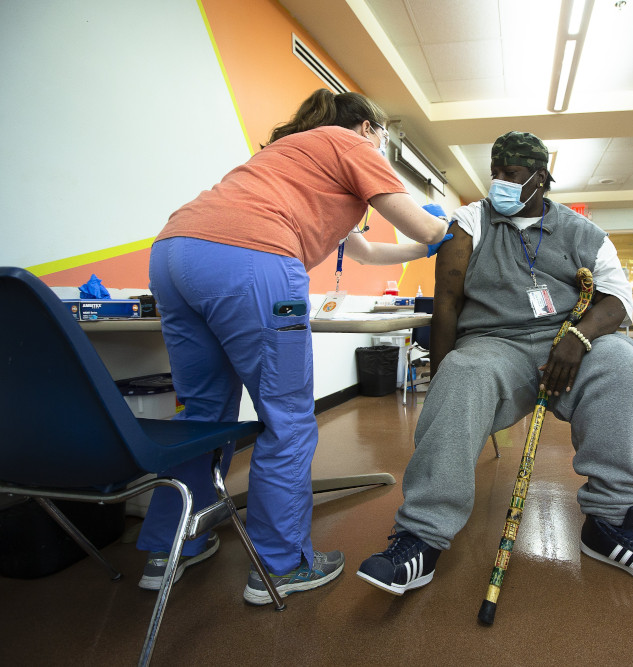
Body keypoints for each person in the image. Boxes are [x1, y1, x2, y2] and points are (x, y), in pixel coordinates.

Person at [136, 89, 450, 605]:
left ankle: (174, 545)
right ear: (369, 129)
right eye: (382, 136)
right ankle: (280, 566)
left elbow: (366, 250)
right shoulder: (350, 143)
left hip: (174, 254)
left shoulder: (287, 157)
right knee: (287, 417)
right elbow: (418, 221)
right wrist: (449, 231)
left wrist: (425, 244)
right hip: (252, 257)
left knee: (200, 413)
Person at [356, 131, 633, 596]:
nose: (499, 184)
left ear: (540, 179)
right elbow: (448, 304)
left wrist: (577, 336)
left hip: (571, 339)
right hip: (495, 344)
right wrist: (440, 378)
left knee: (622, 364)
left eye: (510, 175)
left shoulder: (583, 233)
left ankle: (612, 522)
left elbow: (618, 300)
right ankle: (422, 535)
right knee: (462, 372)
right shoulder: (468, 223)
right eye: (494, 174)